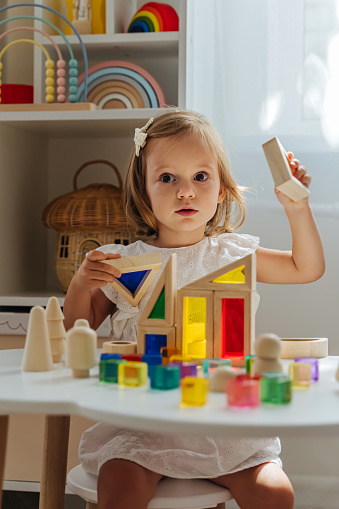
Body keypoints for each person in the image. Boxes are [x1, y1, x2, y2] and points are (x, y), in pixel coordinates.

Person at [63, 109, 325, 509]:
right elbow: (75, 331)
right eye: (167, 178)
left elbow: (305, 268)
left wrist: (297, 208)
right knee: (118, 486)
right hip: (145, 424)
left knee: (276, 493)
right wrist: (81, 283)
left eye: (200, 177)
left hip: (221, 423)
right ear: (144, 189)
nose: (185, 191)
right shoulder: (122, 263)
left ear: (221, 189)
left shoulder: (235, 253)